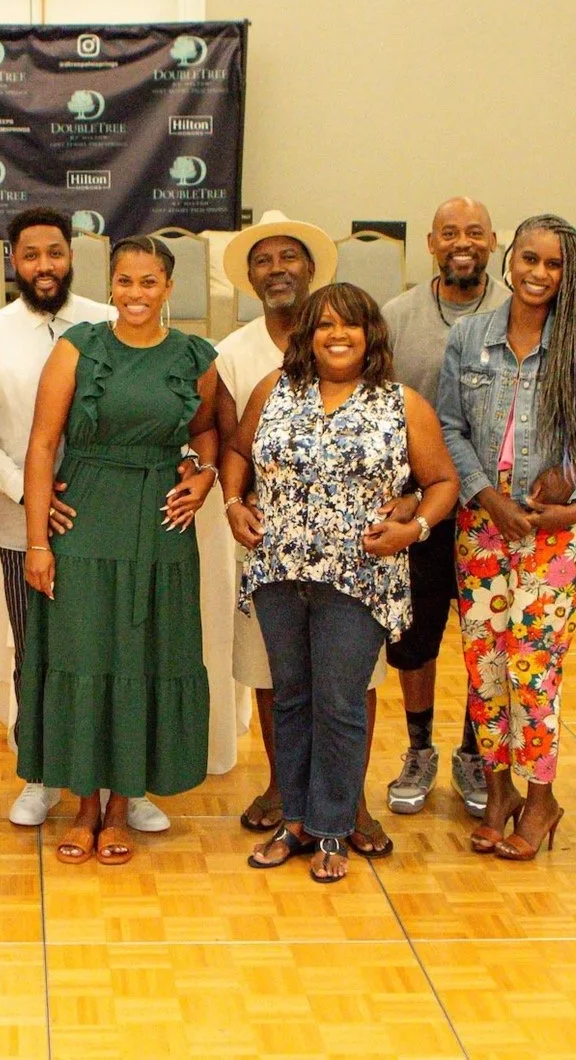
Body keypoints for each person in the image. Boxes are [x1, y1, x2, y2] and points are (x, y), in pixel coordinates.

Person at [223, 284, 460, 883]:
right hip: (278, 570)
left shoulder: (401, 403)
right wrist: (232, 502)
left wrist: (416, 528)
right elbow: (238, 451)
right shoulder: (274, 389)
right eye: (324, 324)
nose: (336, 335)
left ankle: (332, 826)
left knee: (340, 702)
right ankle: (295, 822)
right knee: (291, 697)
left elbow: (441, 482)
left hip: (360, 576)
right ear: (307, 336)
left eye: (349, 324)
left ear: (370, 335)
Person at [20, 236, 220, 866]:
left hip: (161, 526)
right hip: (85, 515)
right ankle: (84, 807)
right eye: (126, 281)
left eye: (149, 281)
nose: (136, 293)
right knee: (83, 654)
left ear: (169, 287)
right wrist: (36, 540)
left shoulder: (195, 356)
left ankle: (120, 808)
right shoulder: (78, 348)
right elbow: (41, 443)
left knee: (144, 656)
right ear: (110, 285)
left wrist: (204, 475)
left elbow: (209, 431)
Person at [436, 213, 576, 860]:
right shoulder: (469, 336)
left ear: (569, 274)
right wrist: (486, 497)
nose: (539, 273)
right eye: (529, 258)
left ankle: (541, 800)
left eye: (554, 264)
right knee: (485, 667)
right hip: (482, 528)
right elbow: (450, 428)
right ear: (509, 259)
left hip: (553, 535)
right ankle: (498, 794)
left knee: (532, 668)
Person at [0, 208, 115, 827]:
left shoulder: (109, 323)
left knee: (111, 652)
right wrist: (35, 495)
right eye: (30, 255)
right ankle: (40, 774)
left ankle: (117, 780)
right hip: (23, 525)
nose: (44, 266)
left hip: (106, 524)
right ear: (12, 261)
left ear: (72, 256)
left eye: (54, 253)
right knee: (37, 653)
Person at [213, 212, 364, 843]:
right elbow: (231, 444)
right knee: (272, 672)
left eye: (288, 257)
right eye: (263, 260)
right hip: (268, 547)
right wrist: (233, 500)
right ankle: (283, 785)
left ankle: (350, 801)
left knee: (351, 679)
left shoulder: (353, 340)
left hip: (351, 554)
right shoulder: (232, 354)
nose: (276, 270)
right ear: (249, 277)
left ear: (311, 268)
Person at [380, 197, 510, 817]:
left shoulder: (518, 313)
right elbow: (380, 411)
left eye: (475, 233)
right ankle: (419, 749)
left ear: (493, 241)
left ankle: (474, 752)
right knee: (416, 637)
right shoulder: (397, 316)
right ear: (430, 244)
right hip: (421, 504)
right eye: (450, 233)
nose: (463, 242)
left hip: (496, 509)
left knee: (488, 636)